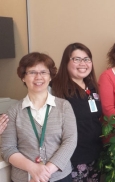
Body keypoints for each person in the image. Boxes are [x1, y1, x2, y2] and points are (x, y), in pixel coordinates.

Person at [1, 52, 77, 182]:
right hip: (25, 178)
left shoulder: (64, 106)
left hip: (60, 177)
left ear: (50, 76)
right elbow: (8, 149)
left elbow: (70, 141)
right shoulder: (13, 111)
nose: (38, 77)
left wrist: (45, 172)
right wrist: (34, 169)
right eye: (32, 72)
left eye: (43, 72)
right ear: (23, 77)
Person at [51, 43, 103, 182]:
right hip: (71, 157)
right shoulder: (55, 88)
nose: (83, 63)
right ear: (66, 62)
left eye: (87, 59)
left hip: (94, 153)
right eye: (77, 59)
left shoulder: (92, 86)